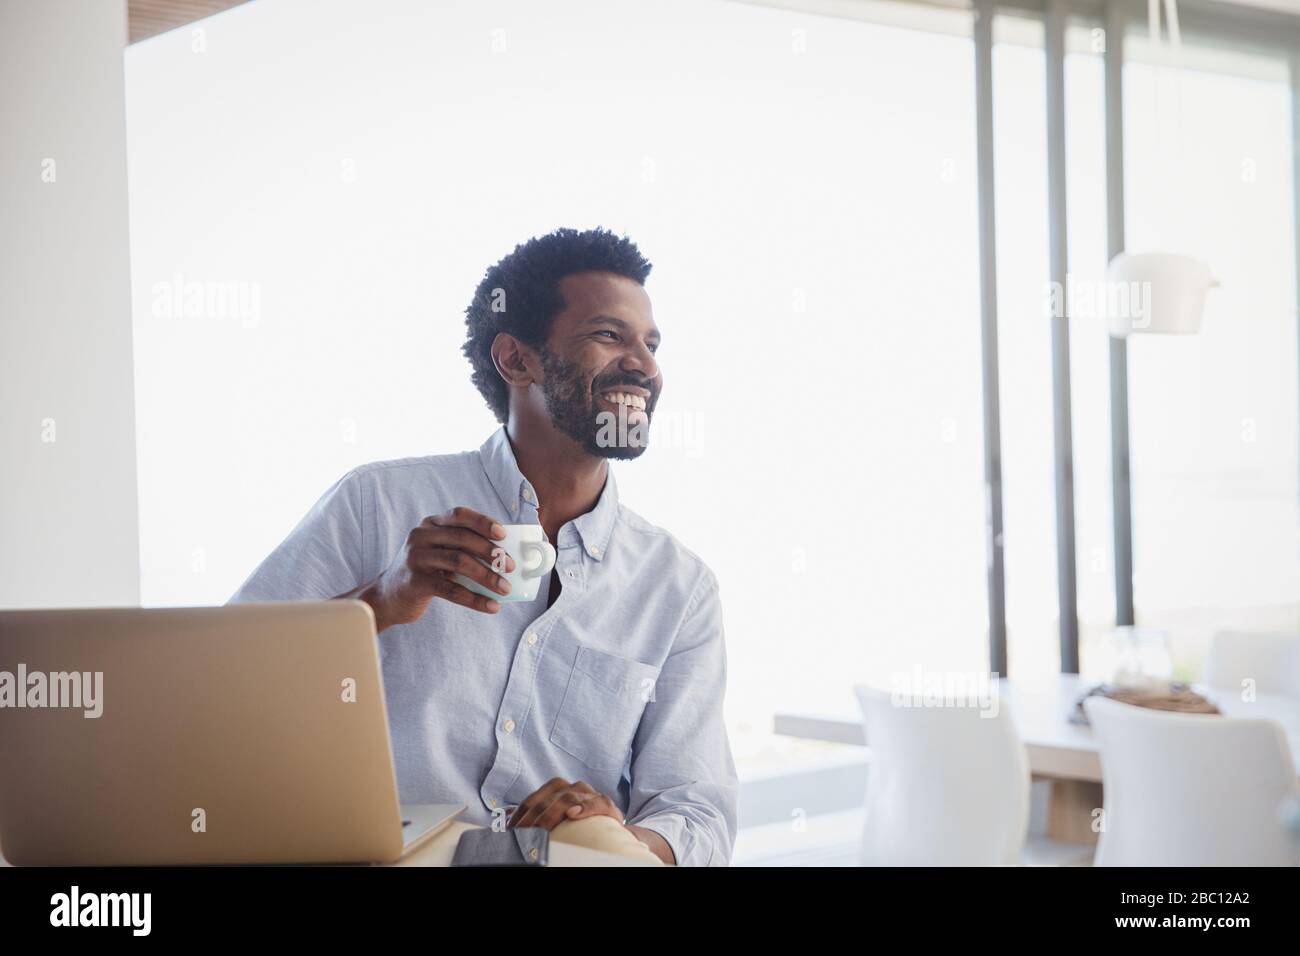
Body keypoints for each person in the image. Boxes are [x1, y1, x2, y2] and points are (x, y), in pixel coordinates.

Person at [229, 227, 737, 865]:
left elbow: (698, 812)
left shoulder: (678, 588)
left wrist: (616, 833)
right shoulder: (376, 503)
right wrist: (379, 601)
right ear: (516, 359)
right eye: (610, 336)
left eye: (651, 343)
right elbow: (225, 687)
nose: (644, 364)